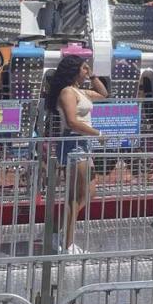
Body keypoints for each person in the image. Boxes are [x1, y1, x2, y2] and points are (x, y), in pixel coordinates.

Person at [45, 55, 109, 254]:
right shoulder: (67, 93)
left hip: (82, 144)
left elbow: (104, 93)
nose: (85, 71)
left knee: (88, 193)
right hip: (73, 143)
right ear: (74, 70)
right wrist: (97, 134)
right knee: (75, 196)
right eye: (83, 68)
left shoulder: (78, 91)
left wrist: (93, 75)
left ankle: (56, 231)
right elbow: (72, 121)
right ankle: (68, 244)